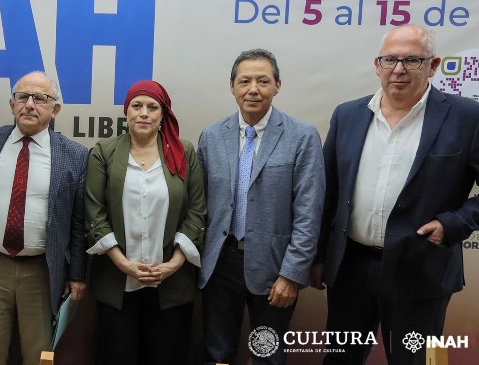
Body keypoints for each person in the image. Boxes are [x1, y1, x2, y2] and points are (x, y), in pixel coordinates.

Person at [311, 25, 479, 364]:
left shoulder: (467, 117)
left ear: (433, 66)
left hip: (421, 269)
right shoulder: (348, 115)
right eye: (390, 59)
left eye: (412, 60)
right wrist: (318, 257)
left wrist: (455, 223)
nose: (398, 69)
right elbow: (327, 193)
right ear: (377, 64)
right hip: (351, 269)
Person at [197, 49, 325, 365]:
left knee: (266, 355)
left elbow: (309, 212)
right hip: (220, 263)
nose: (253, 89)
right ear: (232, 86)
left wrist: (292, 274)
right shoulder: (212, 136)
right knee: (217, 353)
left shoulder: (302, 136)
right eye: (245, 81)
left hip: (274, 268)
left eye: (263, 81)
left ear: (277, 85)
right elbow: (198, 204)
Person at [0, 71, 88, 365]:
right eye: (22, 97)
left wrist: (78, 274)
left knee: (38, 355)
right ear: (12, 104)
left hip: (42, 270)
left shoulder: (74, 155)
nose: (29, 105)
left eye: (40, 99)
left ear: (55, 109)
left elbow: (78, 221)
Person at [84, 80, 206, 364]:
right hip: (117, 281)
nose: (144, 113)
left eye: (152, 107)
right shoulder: (105, 151)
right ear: (126, 112)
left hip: (171, 285)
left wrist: (173, 265)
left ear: (163, 115)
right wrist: (124, 264)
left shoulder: (184, 152)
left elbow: (197, 212)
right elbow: (95, 212)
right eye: (136, 106)